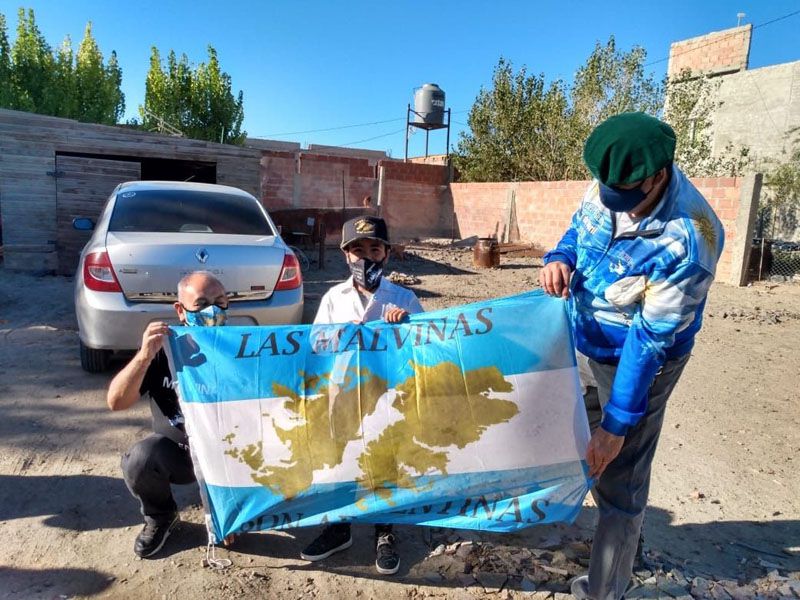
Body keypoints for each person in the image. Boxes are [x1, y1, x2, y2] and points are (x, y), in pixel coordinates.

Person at [538, 112, 724, 600]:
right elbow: (580, 230)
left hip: (636, 360)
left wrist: (617, 425)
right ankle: (615, 542)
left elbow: (649, 340)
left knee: (619, 473)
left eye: (629, 198)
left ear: (659, 174)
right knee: (576, 435)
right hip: (583, 338)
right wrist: (560, 258)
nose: (620, 207)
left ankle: (606, 587)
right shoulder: (611, 183)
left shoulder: (690, 240)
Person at [300, 216, 423, 575]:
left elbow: (424, 348)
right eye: (358, 250)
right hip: (342, 395)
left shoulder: (403, 298)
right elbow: (315, 344)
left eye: (374, 249)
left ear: (386, 254)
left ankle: (384, 529)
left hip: (387, 394)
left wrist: (405, 328)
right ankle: (340, 525)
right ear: (346, 256)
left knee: (384, 456)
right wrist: (340, 334)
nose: (366, 257)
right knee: (345, 457)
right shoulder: (333, 298)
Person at [107, 271, 229, 558]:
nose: (213, 310)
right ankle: (161, 516)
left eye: (221, 302)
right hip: (180, 454)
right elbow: (116, 401)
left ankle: (236, 513)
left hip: (230, 453)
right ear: (180, 310)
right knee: (141, 459)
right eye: (201, 304)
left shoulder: (241, 348)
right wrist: (144, 355)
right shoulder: (165, 351)